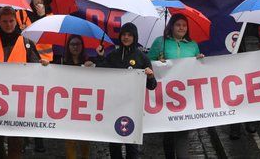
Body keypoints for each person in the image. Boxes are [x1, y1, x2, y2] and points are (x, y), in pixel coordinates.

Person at [0, 7, 45, 159]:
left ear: (16, 21)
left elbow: (36, 70)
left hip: (17, 104)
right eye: (5, 21)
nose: (8, 24)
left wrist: (43, 65)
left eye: (11, 21)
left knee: (15, 145)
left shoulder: (27, 43)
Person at [96, 23, 156, 159]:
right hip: (114, 106)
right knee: (114, 144)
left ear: (134, 37)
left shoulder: (142, 57)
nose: (126, 37)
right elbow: (101, 73)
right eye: (123, 34)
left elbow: (152, 86)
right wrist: (100, 56)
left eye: (129, 35)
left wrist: (151, 76)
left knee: (132, 146)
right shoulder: (113, 55)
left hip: (132, 108)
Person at [149, 14, 203, 158]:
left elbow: (198, 68)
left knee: (181, 131)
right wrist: (158, 62)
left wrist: (200, 60)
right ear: (171, 26)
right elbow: (148, 63)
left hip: (186, 96)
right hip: (165, 95)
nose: (181, 28)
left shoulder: (193, 44)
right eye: (178, 25)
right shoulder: (160, 42)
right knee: (168, 132)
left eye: (184, 25)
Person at [58, 35, 94, 159]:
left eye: (78, 44)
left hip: (84, 106)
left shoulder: (88, 62)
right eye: (72, 44)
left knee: (84, 138)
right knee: (70, 139)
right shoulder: (62, 62)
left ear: (82, 47)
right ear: (68, 46)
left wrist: (94, 67)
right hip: (67, 105)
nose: (75, 47)